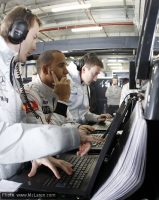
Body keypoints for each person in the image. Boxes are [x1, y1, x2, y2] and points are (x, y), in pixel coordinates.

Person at [0, 6, 95, 180]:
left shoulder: (10, 69)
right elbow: (2, 137)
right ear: (18, 32)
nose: (36, 45)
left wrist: (37, 153)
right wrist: (72, 136)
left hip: (14, 171)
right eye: (34, 37)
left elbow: (20, 125)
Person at [24, 50, 95, 135]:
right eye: (61, 66)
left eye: (66, 66)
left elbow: (68, 121)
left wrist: (77, 127)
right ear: (45, 70)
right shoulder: (28, 94)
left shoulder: (57, 89)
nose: (66, 71)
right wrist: (62, 101)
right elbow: (45, 134)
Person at [67, 53, 111, 124]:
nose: (95, 79)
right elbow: (60, 115)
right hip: (67, 130)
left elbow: (83, 113)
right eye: (94, 74)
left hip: (79, 129)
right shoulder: (66, 80)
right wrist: (76, 127)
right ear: (84, 69)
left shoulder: (85, 84)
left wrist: (96, 117)